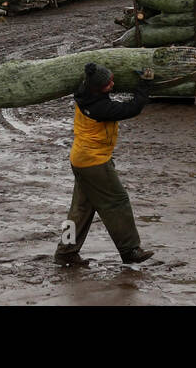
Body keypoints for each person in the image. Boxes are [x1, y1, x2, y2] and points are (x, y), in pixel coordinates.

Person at [53, 62, 154, 266]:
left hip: (80, 159)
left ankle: (66, 252)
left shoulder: (85, 91)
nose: (113, 84)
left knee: (80, 210)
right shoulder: (100, 107)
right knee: (117, 201)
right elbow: (132, 108)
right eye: (109, 84)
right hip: (94, 162)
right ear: (98, 88)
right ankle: (130, 250)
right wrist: (144, 85)